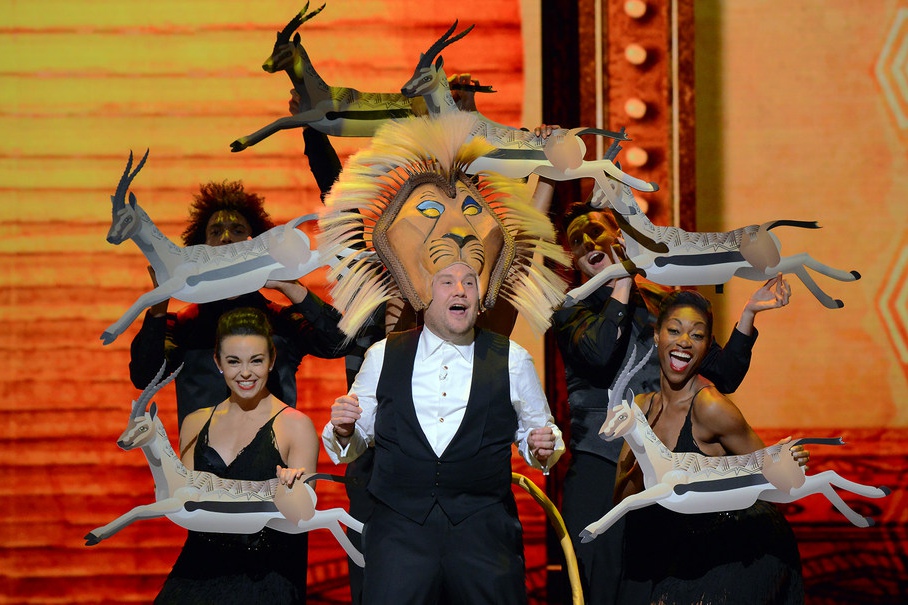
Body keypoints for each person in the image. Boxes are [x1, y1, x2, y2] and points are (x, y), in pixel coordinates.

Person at [553, 201, 792, 604]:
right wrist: (622, 278)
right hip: (600, 465)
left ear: (620, 238)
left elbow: (725, 374)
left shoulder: (661, 305)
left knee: (654, 583)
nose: (589, 240)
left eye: (597, 230)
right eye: (577, 240)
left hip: (660, 466)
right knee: (602, 585)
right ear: (572, 260)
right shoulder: (570, 310)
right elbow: (600, 354)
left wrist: (749, 315)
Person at [322, 262, 564, 604]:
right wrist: (344, 429)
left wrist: (542, 447)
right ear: (424, 296)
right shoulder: (382, 355)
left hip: (484, 535)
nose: (460, 290)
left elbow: (539, 432)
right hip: (399, 536)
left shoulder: (512, 359)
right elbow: (354, 441)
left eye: (469, 282)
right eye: (447, 282)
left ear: (479, 300)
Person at [615, 290, 805, 604]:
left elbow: (778, 483)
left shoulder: (711, 408)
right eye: (674, 330)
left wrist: (787, 463)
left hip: (743, 548)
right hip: (684, 554)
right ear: (657, 336)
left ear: (706, 346)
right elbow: (623, 501)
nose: (684, 341)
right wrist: (641, 464)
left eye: (697, 335)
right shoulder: (641, 409)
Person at [128, 180, 352, 427]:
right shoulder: (182, 324)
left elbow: (340, 342)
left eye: (236, 230)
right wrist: (159, 299)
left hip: (275, 460)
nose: (226, 239)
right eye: (215, 232)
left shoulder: (281, 320)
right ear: (200, 248)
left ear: (254, 243)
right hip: (202, 462)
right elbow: (144, 376)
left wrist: (289, 285)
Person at [155, 307, 320, 604]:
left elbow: (301, 518)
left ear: (271, 359)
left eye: (256, 360)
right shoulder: (195, 422)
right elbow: (186, 507)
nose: (245, 373)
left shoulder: (296, 425)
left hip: (267, 578)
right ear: (218, 362)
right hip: (198, 571)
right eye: (234, 361)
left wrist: (292, 493)